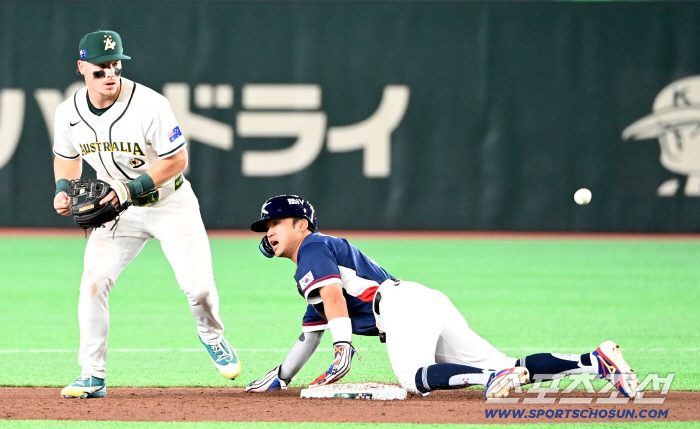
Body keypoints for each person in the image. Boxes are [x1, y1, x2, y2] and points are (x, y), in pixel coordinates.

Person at [245, 195, 639, 398]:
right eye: (267, 226)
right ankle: (596, 361)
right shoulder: (314, 268)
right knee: (509, 365)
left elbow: (333, 298)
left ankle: (492, 378)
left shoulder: (313, 247)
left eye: (277, 223)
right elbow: (310, 333)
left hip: (399, 308)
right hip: (421, 300)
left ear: (302, 225)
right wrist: (281, 377)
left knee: (413, 378)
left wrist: (343, 346)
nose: (270, 231)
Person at [52, 30, 240, 398]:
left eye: (115, 65)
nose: (110, 74)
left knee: (199, 289)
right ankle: (92, 375)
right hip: (116, 210)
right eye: (100, 68)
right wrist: (62, 187)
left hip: (170, 203)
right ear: (82, 68)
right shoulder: (67, 112)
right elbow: (67, 157)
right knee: (93, 282)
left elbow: (177, 160)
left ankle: (212, 336)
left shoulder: (150, 104)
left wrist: (131, 188)